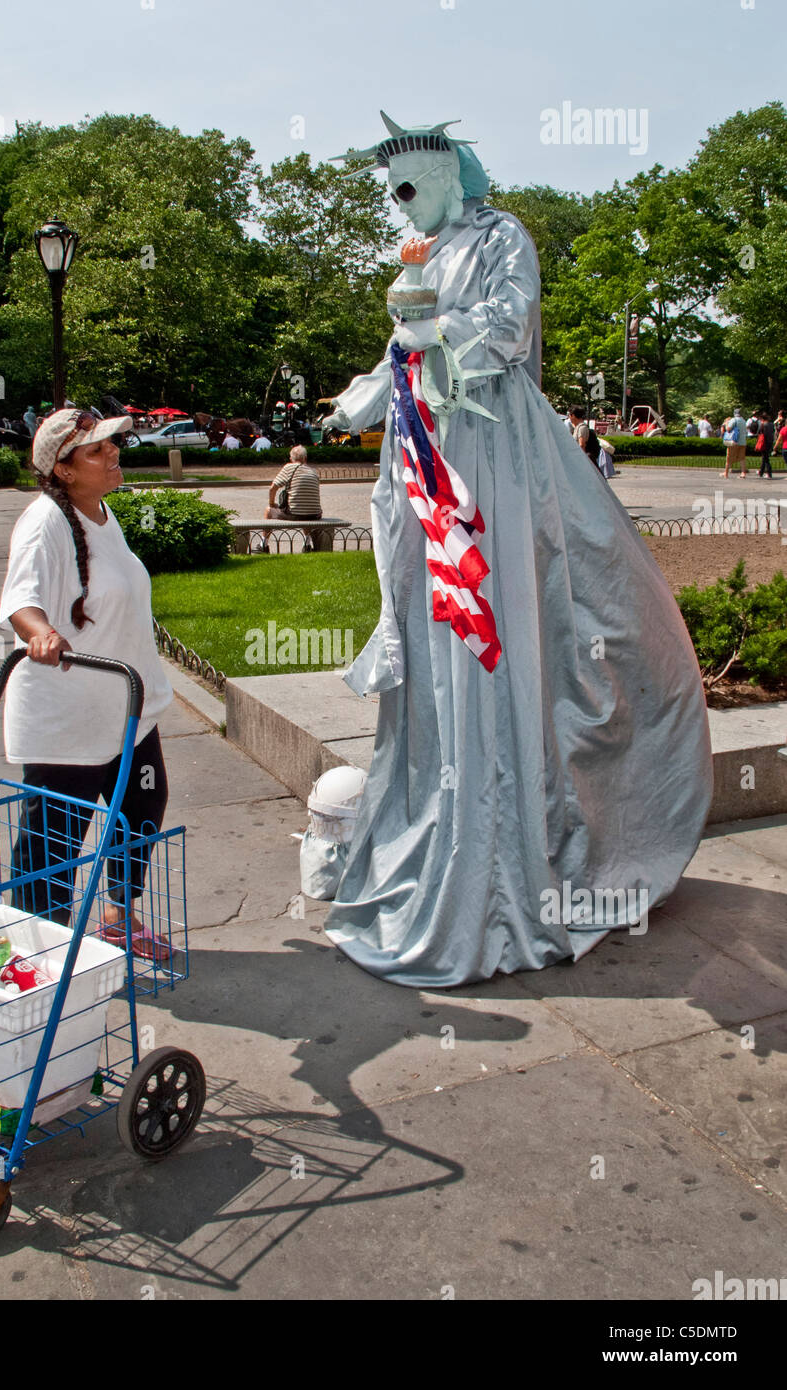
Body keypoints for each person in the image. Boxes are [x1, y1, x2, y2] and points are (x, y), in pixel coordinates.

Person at [318, 112, 711, 988]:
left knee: (498, 619)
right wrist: (371, 391)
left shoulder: (502, 234)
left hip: (490, 455)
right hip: (429, 452)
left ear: (450, 176)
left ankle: (510, 854)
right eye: (392, 192)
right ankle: (441, 828)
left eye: (411, 185)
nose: (401, 203)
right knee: (439, 631)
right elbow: (405, 346)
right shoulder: (415, 259)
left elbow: (506, 326)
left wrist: (433, 340)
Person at [0, 408, 174, 960]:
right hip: (69, 716)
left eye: (111, 444)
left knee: (142, 807)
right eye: (96, 450)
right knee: (54, 841)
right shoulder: (43, 520)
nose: (112, 453)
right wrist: (42, 631)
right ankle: (33, 953)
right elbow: (18, 600)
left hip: (123, 705)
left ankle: (119, 918)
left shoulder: (100, 515)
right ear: (64, 470)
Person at [265, 445, 322, 550]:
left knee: (269, 511)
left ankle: (263, 545)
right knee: (305, 508)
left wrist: (272, 503)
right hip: (315, 514)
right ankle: (307, 544)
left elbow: (272, 488)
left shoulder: (289, 467)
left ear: (291, 459)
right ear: (305, 458)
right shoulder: (313, 471)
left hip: (295, 514)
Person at [568, 406, 603, 471]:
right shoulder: (577, 427)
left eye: (569, 415)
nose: (569, 417)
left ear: (573, 415)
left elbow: (582, 445)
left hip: (584, 460)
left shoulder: (582, 428)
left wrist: (581, 461)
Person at [722, 407, 747, 478]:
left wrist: (726, 423)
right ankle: (743, 473)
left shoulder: (734, 420)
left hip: (734, 442)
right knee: (742, 458)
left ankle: (726, 473)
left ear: (734, 413)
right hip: (743, 442)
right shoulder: (743, 420)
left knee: (729, 457)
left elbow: (728, 429)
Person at [756, 411, 775, 479]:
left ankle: (769, 473)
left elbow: (759, 433)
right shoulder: (771, 424)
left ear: (762, 419)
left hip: (764, 442)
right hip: (770, 442)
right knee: (764, 458)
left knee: (766, 459)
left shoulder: (763, 425)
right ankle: (761, 472)